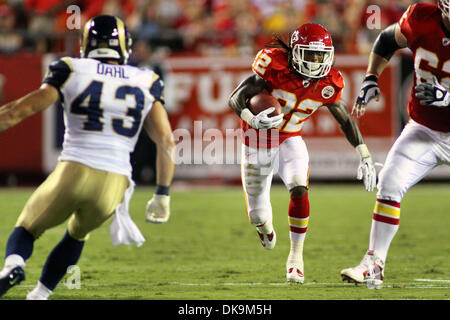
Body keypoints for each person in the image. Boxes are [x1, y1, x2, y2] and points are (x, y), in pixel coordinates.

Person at [0, 15, 175, 299]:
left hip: (75, 168)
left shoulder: (71, 68)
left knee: (28, 228)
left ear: (86, 44)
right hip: (115, 183)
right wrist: (162, 194)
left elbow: (20, 110)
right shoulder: (146, 79)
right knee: (77, 235)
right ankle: (39, 295)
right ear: (124, 46)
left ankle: (12, 266)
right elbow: (166, 141)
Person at [228, 22, 377, 284]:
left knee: (299, 187)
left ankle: (296, 258)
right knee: (258, 216)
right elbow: (235, 98)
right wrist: (250, 118)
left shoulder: (330, 81)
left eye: (320, 54)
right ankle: (264, 228)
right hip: (257, 138)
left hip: (290, 139)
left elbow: (344, 119)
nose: (316, 60)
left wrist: (363, 152)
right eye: (309, 54)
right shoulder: (274, 66)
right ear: (295, 52)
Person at [341, 0, 450, 289]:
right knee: (388, 183)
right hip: (424, 130)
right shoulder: (420, 17)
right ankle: (373, 265)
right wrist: (370, 76)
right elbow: (388, 38)